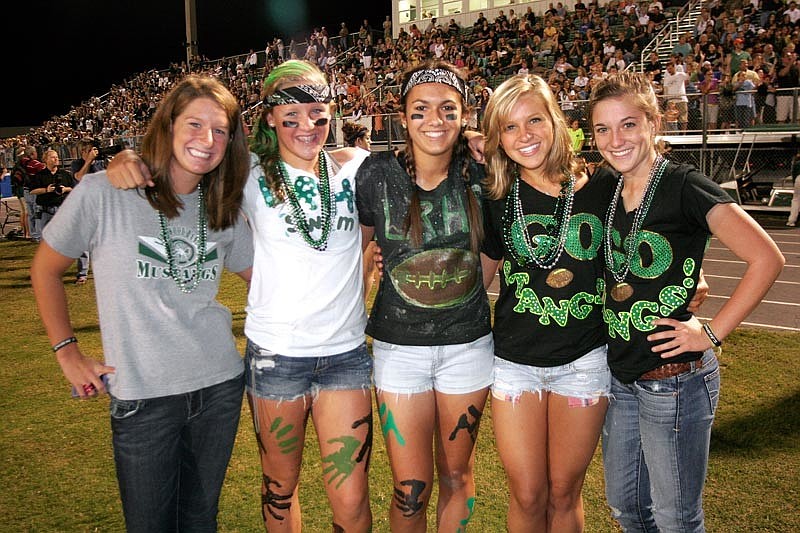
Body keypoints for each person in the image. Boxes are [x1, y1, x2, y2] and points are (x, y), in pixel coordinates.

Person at [30, 75, 254, 532]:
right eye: (195, 124)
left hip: (219, 386)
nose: (207, 140)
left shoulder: (223, 205)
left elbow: (267, 281)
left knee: (199, 520)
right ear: (168, 125)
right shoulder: (103, 192)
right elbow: (45, 270)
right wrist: (67, 351)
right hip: (143, 396)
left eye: (220, 131)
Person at [588, 71, 784, 532]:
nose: (615, 140)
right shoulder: (607, 186)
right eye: (603, 128)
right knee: (626, 508)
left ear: (655, 122)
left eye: (628, 124)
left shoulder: (685, 185)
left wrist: (711, 331)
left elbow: (766, 259)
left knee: (676, 519)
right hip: (621, 376)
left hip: (673, 383)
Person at [356, 60, 493, 532]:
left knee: (457, 474)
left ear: (463, 114)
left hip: (468, 347)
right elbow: (359, 249)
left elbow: (492, 252)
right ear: (402, 115)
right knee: (409, 487)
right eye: (420, 110)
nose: (434, 120)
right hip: (398, 349)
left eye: (447, 109)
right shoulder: (375, 174)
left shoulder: (481, 173)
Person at [480, 74, 612, 532]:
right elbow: (476, 276)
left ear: (556, 120)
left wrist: (686, 284)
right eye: (510, 127)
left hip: (584, 360)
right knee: (528, 493)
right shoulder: (494, 197)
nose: (525, 136)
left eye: (534, 119)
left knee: (563, 492)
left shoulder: (604, 186)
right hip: (514, 361)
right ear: (497, 138)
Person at [70, 138, 104, 285]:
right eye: (90, 149)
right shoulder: (76, 164)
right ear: (83, 151)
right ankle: (82, 273)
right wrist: (88, 161)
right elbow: (79, 177)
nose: (94, 152)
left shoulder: (100, 163)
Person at [28, 149, 77, 234]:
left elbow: (74, 188)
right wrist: (46, 190)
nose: (56, 159)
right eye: (53, 157)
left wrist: (65, 189)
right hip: (46, 211)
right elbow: (32, 191)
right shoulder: (39, 175)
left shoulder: (65, 174)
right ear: (46, 160)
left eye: (57, 157)